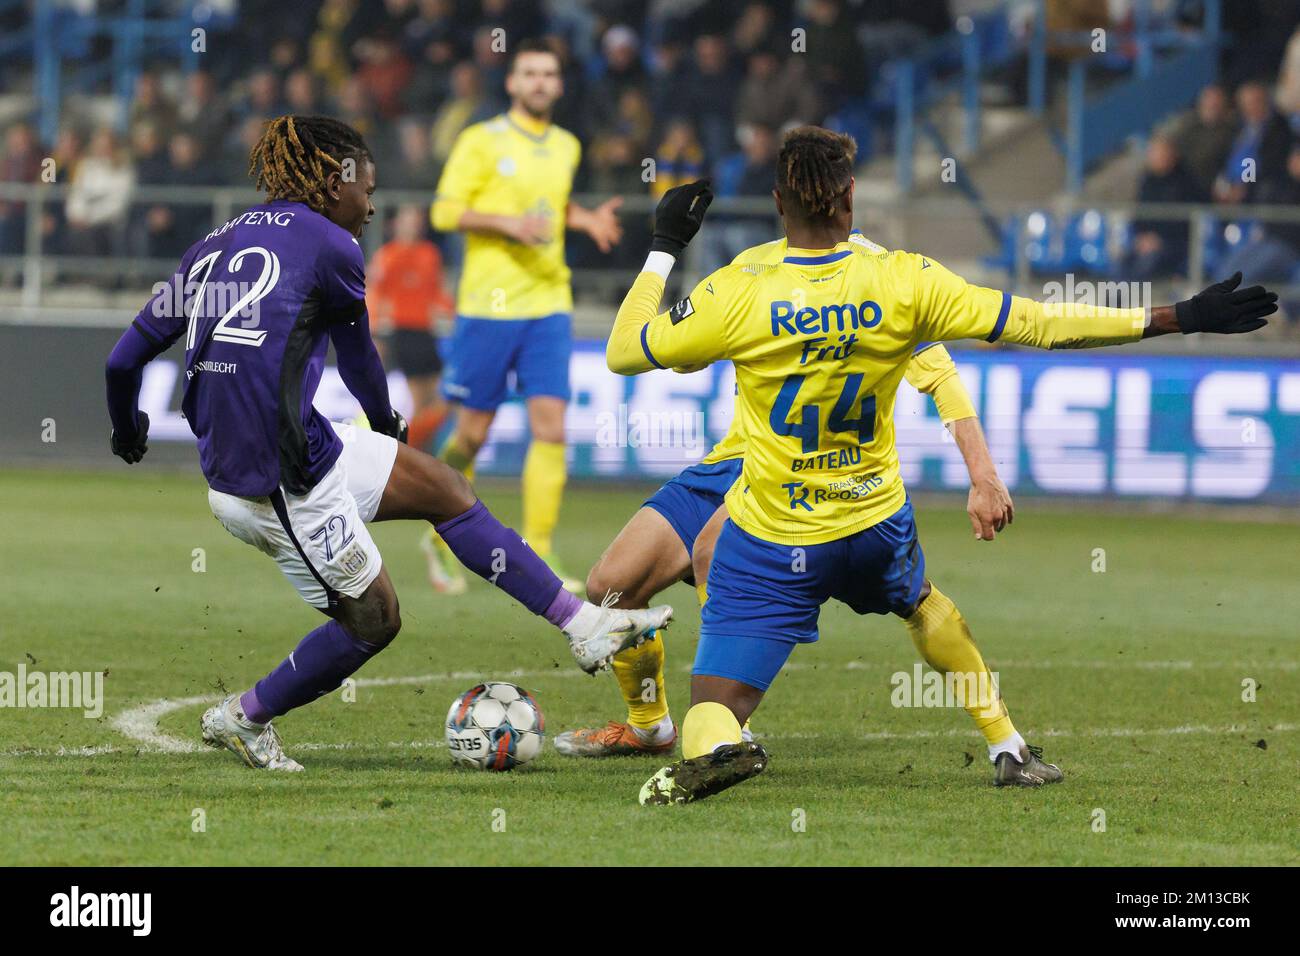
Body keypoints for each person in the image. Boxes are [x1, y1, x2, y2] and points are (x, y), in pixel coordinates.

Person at [603, 127, 1274, 805]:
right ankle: (1008, 746)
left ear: (779, 202)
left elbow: (626, 351)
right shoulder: (904, 278)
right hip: (873, 521)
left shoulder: (738, 290)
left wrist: (663, 246)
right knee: (924, 605)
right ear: (850, 198)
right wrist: (1181, 315)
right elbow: (1044, 324)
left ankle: (722, 747)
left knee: (709, 709)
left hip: (780, 531)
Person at [103, 115, 671, 772]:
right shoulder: (331, 245)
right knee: (374, 620)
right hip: (277, 480)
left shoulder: (214, 243)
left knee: (446, 489)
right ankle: (243, 717)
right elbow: (359, 359)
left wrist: (128, 429)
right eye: (366, 190)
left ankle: (582, 625)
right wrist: (384, 418)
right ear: (331, 179)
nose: (371, 206)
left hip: (287, 449)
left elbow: (122, 360)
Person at [425, 38, 623, 594]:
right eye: (529, 73)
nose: (539, 82)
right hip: (488, 307)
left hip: (548, 304)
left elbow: (549, 203)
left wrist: (580, 220)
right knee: (471, 434)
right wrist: (508, 225)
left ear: (559, 86)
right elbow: (443, 209)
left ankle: (539, 547)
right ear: (511, 84)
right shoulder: (480, 140)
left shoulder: (565, 146)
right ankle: (439, 535)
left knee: (551, 428)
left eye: (548, 74)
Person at [367, 204, 455, 458]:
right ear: (395, 225)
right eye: (407, 219)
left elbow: (436, 293)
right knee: (425, 402)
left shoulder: (430, 254)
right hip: (404, 332)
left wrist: (455, 313)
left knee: (440, 401)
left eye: (415, 220)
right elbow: (375, 293)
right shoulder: (388, 256)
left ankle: (412, 452)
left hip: (426, 333)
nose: (411, 225)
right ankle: (407, 453)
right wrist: (374, 329)